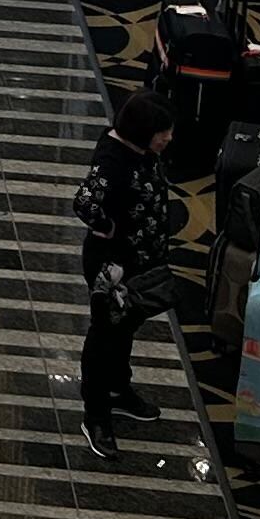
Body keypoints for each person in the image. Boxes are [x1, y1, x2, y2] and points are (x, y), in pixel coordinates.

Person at [74, 90, 183, 462]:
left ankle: (119, 388)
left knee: (125, 328)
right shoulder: (113, 160)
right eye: (162, 132)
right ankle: (95, 413)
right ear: (141, 131)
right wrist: (109, 228)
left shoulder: (141, 152)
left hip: (139, 260)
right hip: (112, 268)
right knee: (104, 334)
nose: (168, 138)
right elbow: (85, 203)